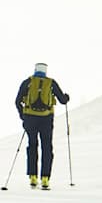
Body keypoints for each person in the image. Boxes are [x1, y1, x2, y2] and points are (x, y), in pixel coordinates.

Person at [15, 62, 70, 190]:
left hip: (30, 118)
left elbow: (17, 101)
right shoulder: (51, 83)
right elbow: (62, 100)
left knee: (32, 145)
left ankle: (33, 177)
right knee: (47, 147)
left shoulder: (28, 82)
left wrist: (23, 116)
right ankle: (45, 178)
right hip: (46, 119)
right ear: (45, 71)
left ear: (35, 70)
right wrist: (66, 97)